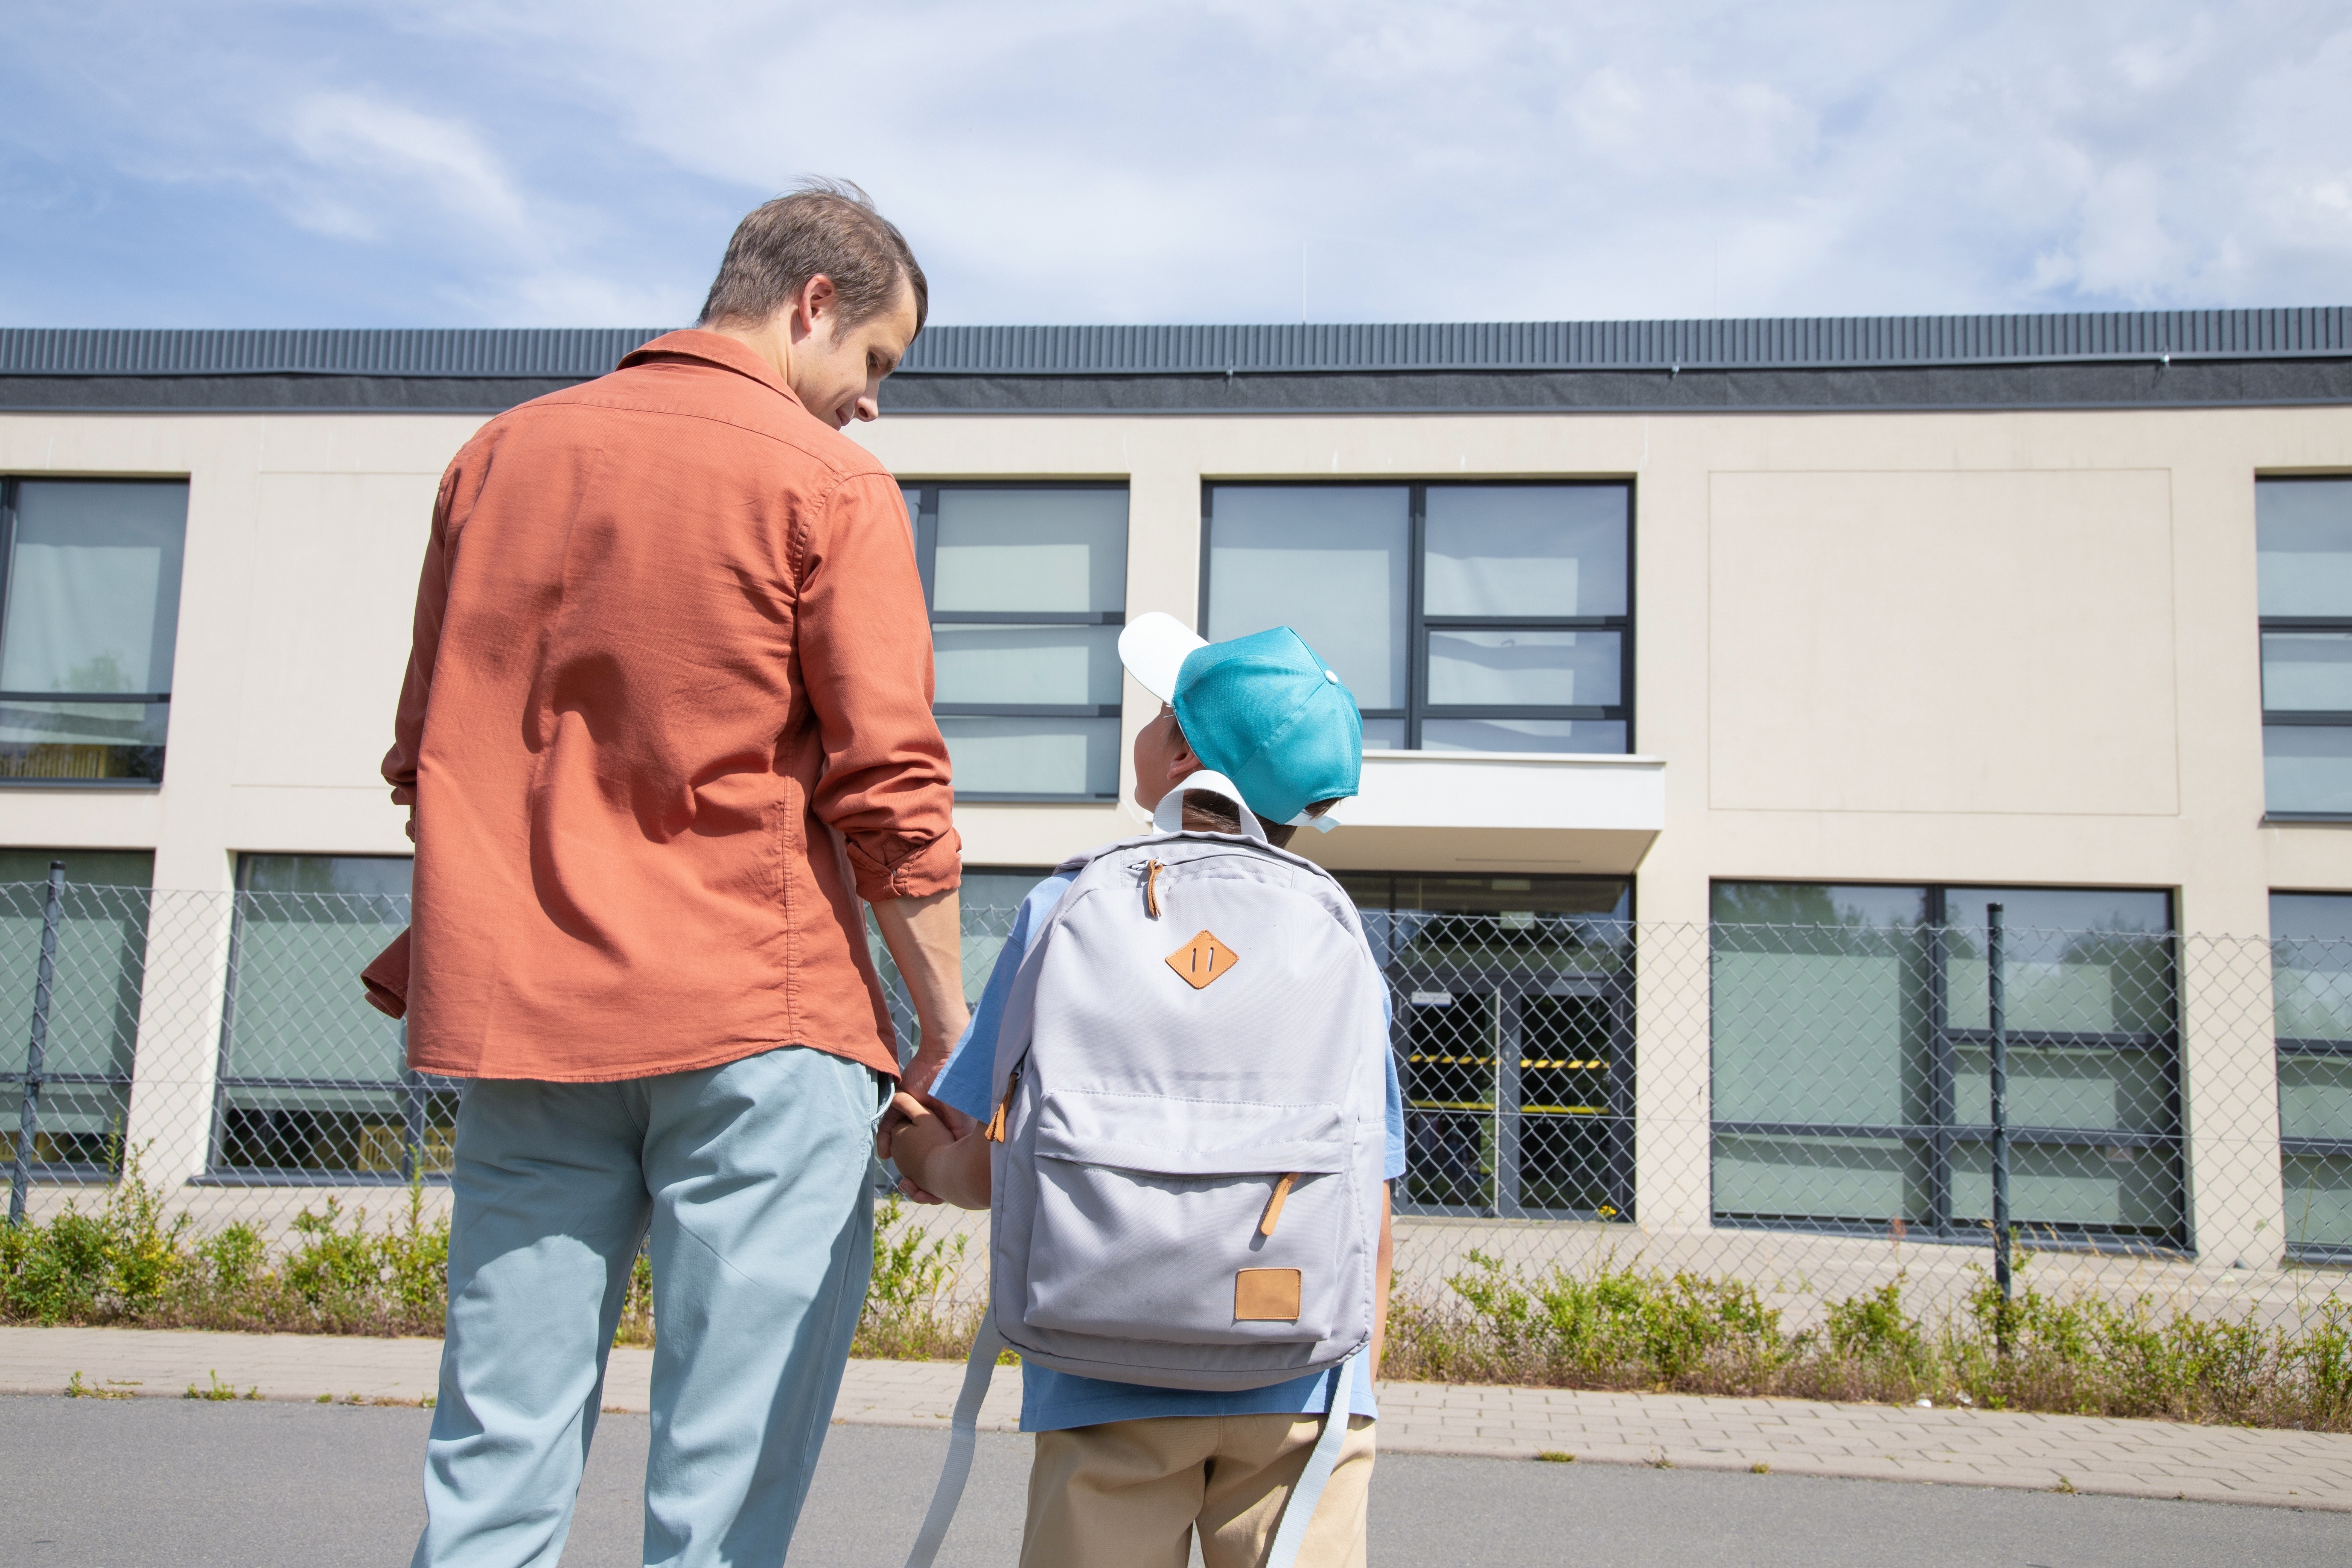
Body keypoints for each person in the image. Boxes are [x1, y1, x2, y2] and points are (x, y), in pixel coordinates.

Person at [378, 179, 970, 1568]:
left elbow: (426, 755)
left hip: (530, 1031)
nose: (875, 402)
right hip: (760, 1025)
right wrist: (946, 1026)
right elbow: (889, 792)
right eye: (875, 362)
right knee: (725, 1481)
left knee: (494, 1457)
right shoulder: (830, 485)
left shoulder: (494, 460)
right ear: (810, 304)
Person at [883, 612, 1407, 1568]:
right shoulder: (1339, 944)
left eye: (1161, 710)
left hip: (1102, 1364)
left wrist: (914, 1147)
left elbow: (994, 1167)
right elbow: (1368, 1191)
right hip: (1301, 1379)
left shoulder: (1065, 906)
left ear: (1176, 752)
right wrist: (1352, 1383)